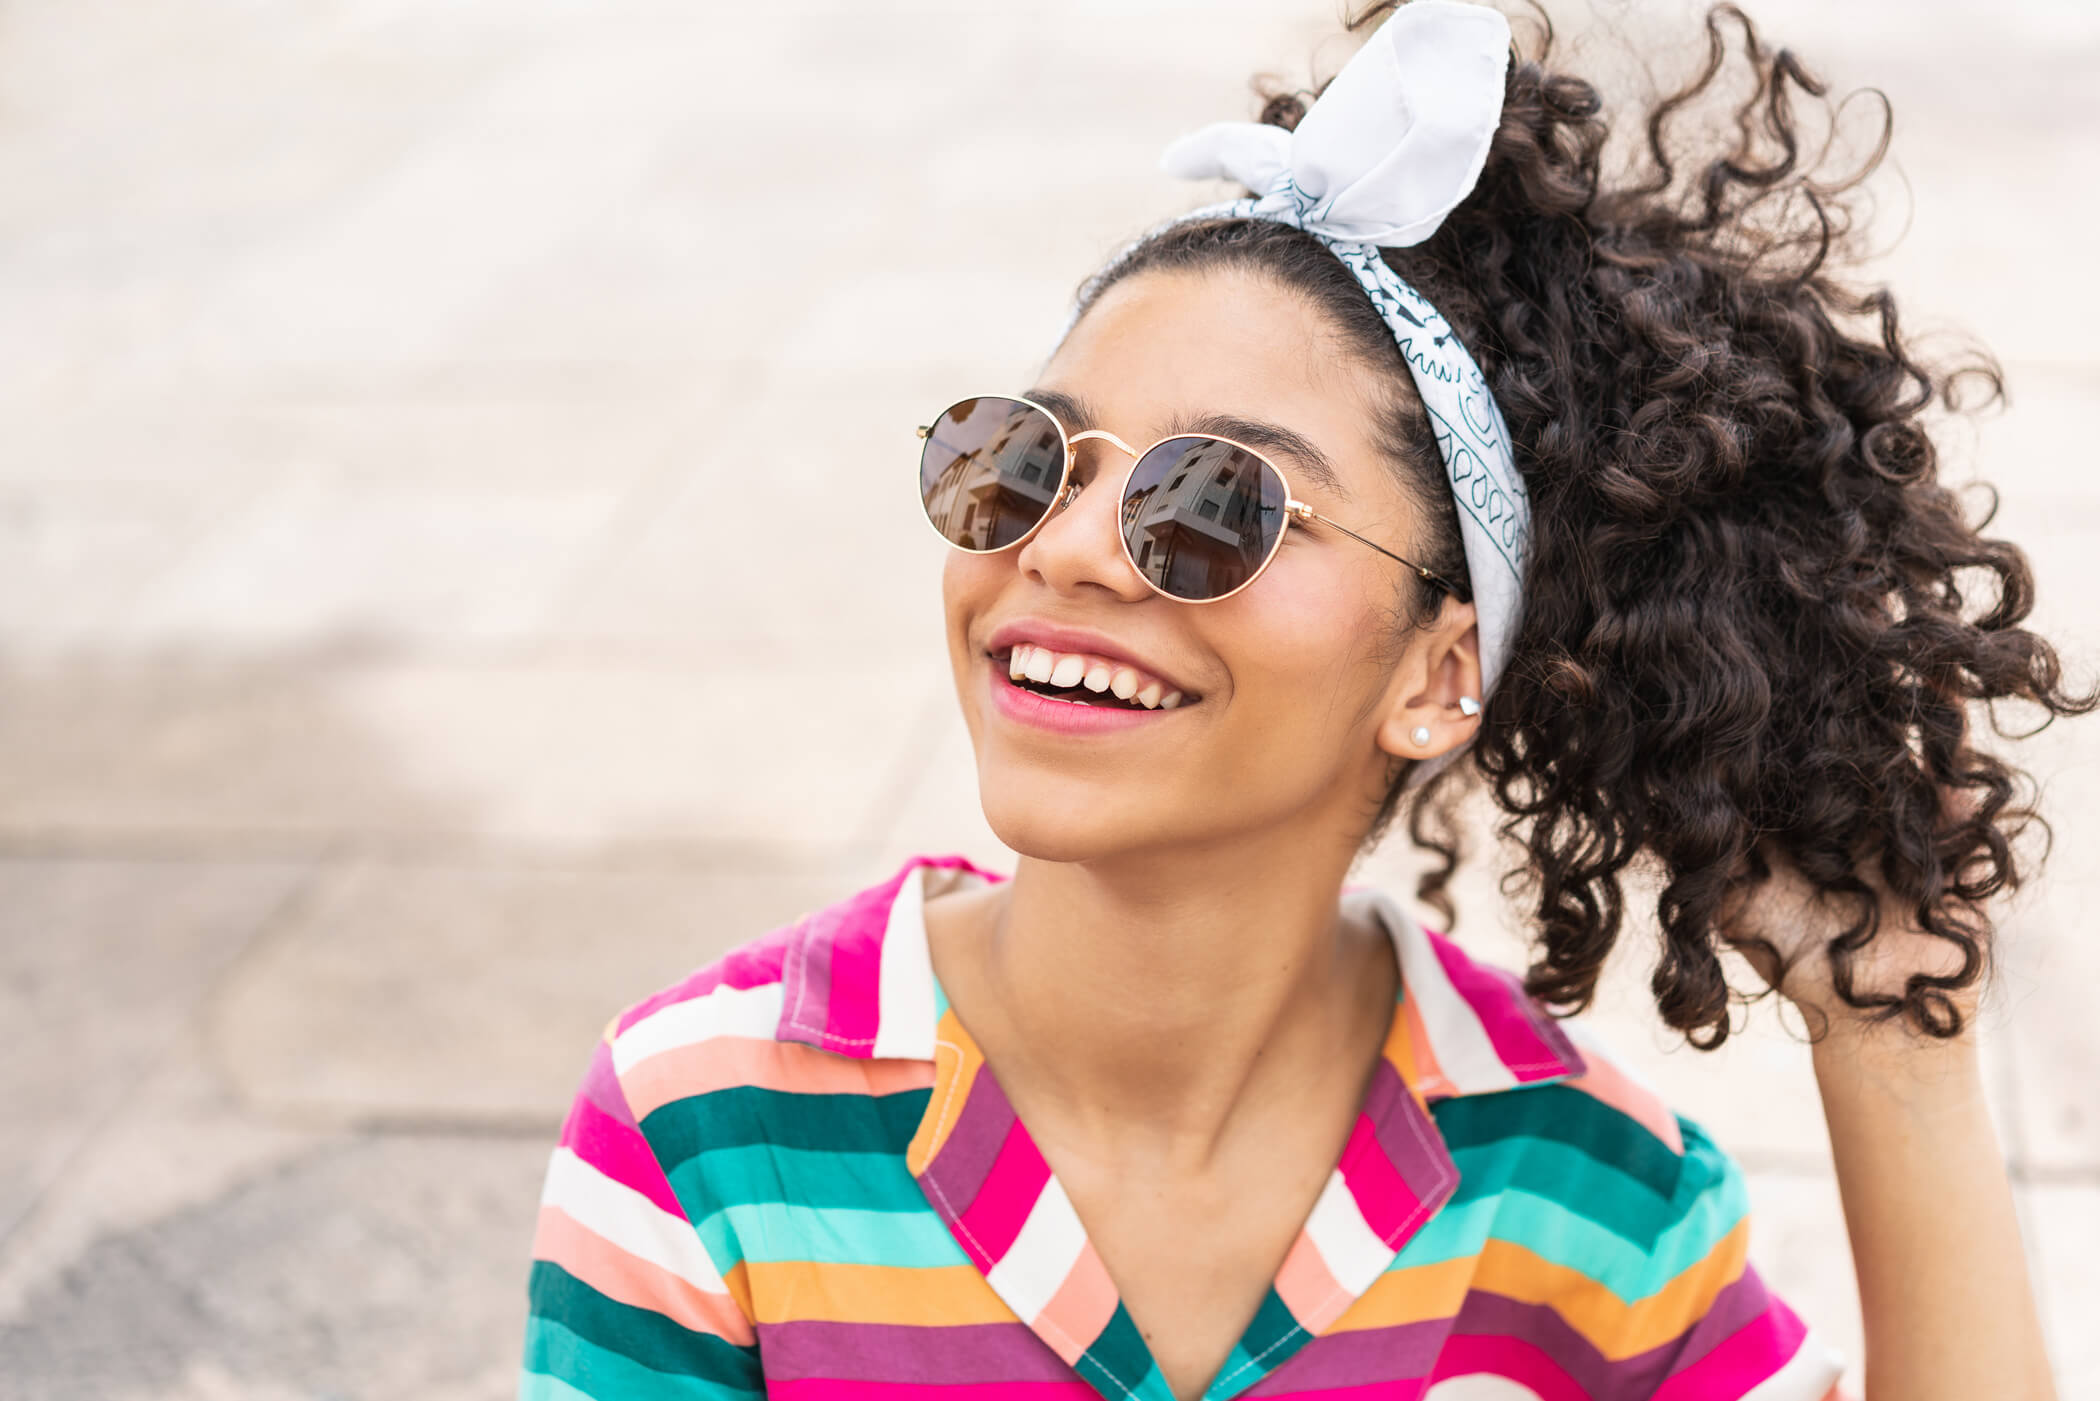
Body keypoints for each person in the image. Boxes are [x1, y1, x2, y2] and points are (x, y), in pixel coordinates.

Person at [515, 3, 2083, 1397]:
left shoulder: (1589, 1200)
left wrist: (1896, 1032)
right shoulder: (702, 1132)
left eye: (1215, 502)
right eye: (1019, 460)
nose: (1062, 549)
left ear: (1438, 668)